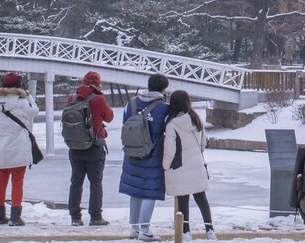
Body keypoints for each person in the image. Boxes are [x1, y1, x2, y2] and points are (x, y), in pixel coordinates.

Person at [121, 73, 170, 240]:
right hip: (153, 154)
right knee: (150, 192)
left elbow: (125, 122)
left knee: (135, 191)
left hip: (131, 152)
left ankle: (133, 228)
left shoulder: (132, 102)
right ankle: (145, 229)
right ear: (164, 89)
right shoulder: (164, 107)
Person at [0, 71, 38, 227]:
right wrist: (28, 96)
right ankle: (15, 216)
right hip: (17, 148)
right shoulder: (22, 102)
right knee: (17, 181)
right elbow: (34, 111)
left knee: (1, 180)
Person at [163, 90, 216, 241]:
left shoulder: (172, 124)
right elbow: (203, 143)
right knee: (201, 198)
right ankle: (210, 230)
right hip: (197, 163)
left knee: (183, 199)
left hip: (180, 166)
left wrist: (165, 166)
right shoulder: (196, 119)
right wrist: (196, 155)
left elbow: (170, 150)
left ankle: (185, 232)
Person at [66, 70, 113, 226]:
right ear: (97, 84)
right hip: (94, 146)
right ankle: (95, 217)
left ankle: (75, 217)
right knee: (95, 182)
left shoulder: (72, 98)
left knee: (76, 182)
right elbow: (109, 117)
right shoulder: (98, 99)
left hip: (75, 146)